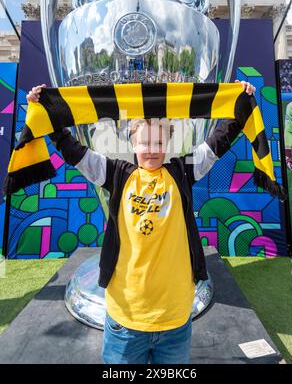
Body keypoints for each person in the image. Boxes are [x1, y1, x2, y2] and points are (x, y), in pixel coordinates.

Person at [27, 79, 256, 364]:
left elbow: (218, 141)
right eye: (144, 141)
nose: (151, 149)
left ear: (167, 143)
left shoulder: (181, 173)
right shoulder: (117, 174)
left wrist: (240, 100)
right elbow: (72, 150)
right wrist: (45, 109)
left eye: (159, 142)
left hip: (174, 318)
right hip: (126, 319)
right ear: (132, 142)